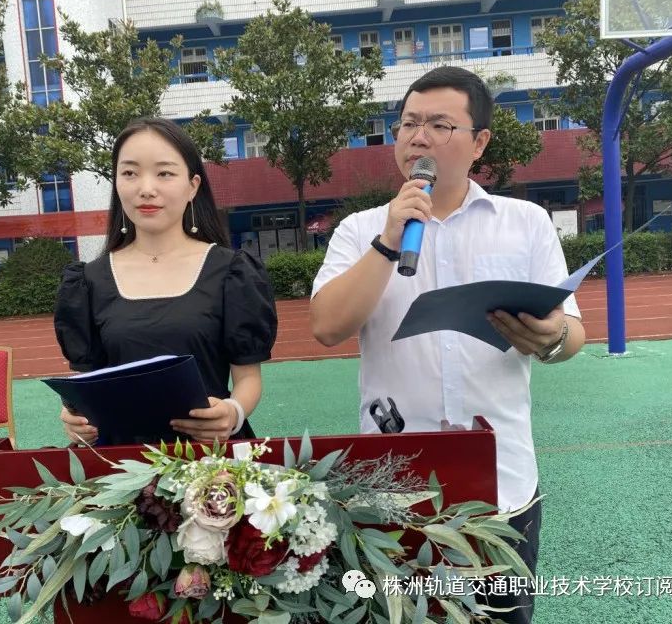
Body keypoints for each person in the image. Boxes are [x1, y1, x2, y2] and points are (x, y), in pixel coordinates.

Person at [310, 66, 585, 624]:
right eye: (408, 124)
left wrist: (552, 338)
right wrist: (388, 241)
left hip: (502, 481)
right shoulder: (360, 230)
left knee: (501, 616)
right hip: (391, 484)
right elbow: (327, 326)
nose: (419, 138)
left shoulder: (525, 222)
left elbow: (571, 330)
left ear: (479, 142)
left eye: (439, 125)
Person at [54, 117, 277, 446]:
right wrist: (74, 419)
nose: (146, 188)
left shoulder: (232, 272)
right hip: (120, 461)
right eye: (130, 173)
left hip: (209, 459)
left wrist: (233, 412)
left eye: (164, 173)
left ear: (193, 186)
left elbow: (248, 379)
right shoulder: (88, 281)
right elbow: (87, 383)